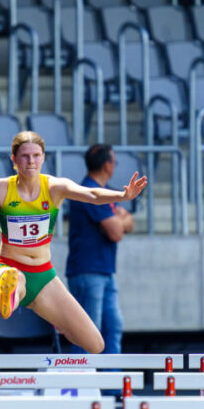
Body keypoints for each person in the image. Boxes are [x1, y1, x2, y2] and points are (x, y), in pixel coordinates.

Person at [0, 131, 147, 354]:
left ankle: (59, 323)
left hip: (44, 277)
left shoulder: (54, 187)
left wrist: (121, 196)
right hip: (9, 267)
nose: (31, 161)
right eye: (25, 156)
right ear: (14, 159)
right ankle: (7, 298)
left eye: (36, 155)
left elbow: (92, 194)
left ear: (43, 158)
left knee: (96, 344)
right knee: (14, 280)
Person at [66, 144, 134, 354]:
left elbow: (128, 224)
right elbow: (116, 232)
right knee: (87, 332)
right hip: (88, 271)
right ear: (107, 165)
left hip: (103, 270)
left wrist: (119, 220)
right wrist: (119, 218)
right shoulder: (90, 192)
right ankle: (80, 381)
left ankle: (112, 384)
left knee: (112, 326)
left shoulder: (100, 192)